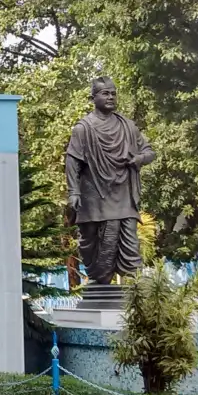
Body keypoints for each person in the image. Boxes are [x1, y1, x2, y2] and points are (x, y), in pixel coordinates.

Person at [65, 76, 156, 284]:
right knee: (91, 242)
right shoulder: (83, 129)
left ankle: (134, 287)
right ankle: (99, 277)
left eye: (113, 93)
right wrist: (74, 192)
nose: (111, 97)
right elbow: (72, 161)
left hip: (123, 193)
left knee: (129, 240)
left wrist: (139, 158)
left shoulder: (128, 126)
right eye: (105, 93)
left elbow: (149, 151)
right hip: (94, 195)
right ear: (93, 97)